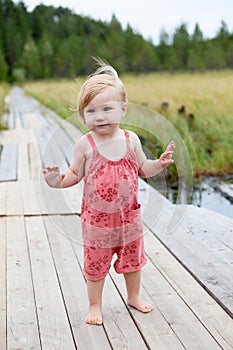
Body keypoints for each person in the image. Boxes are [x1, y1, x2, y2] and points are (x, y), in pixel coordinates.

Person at [43, 58, 175, 326]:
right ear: (82, 116)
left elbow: (142, 168)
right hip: (97, 224)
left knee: (133, 262)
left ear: (123, 109)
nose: (100, 116)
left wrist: (158, 164)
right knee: (95, 266)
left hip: (129, 221)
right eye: (91, 111)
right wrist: (57, 180)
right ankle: (95, 304)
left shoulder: (131, 140)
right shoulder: (85, 143)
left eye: (107, 108)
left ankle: (134, 296)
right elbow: (73, 175)